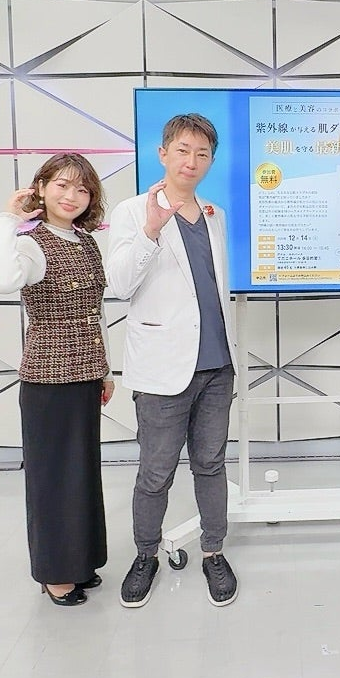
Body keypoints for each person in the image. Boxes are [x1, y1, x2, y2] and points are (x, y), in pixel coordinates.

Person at [107, 113, 238, 609]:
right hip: (162, 367)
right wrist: (149, 233)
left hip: (217, 366)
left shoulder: (214, 214)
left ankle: (213, 551)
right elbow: (120, 285)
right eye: (183, 150)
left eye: (202, 153)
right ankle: (145, 555)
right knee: (156, 471)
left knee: (211, 464)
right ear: (163, 153)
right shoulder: (132, 211)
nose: (191, 161)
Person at [0, 154, 114, 607]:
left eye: (82, 189)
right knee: (53, 477)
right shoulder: (30, 244)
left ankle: (81, 562)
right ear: (40, 188)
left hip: (86, 372)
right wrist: (8, 221)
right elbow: (2, 281)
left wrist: (105, 370)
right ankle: (55, 573)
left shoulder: (85, 242)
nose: (71, 196)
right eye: (61, 185)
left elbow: (95, 312)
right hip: (48, 379)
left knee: (82, 473)